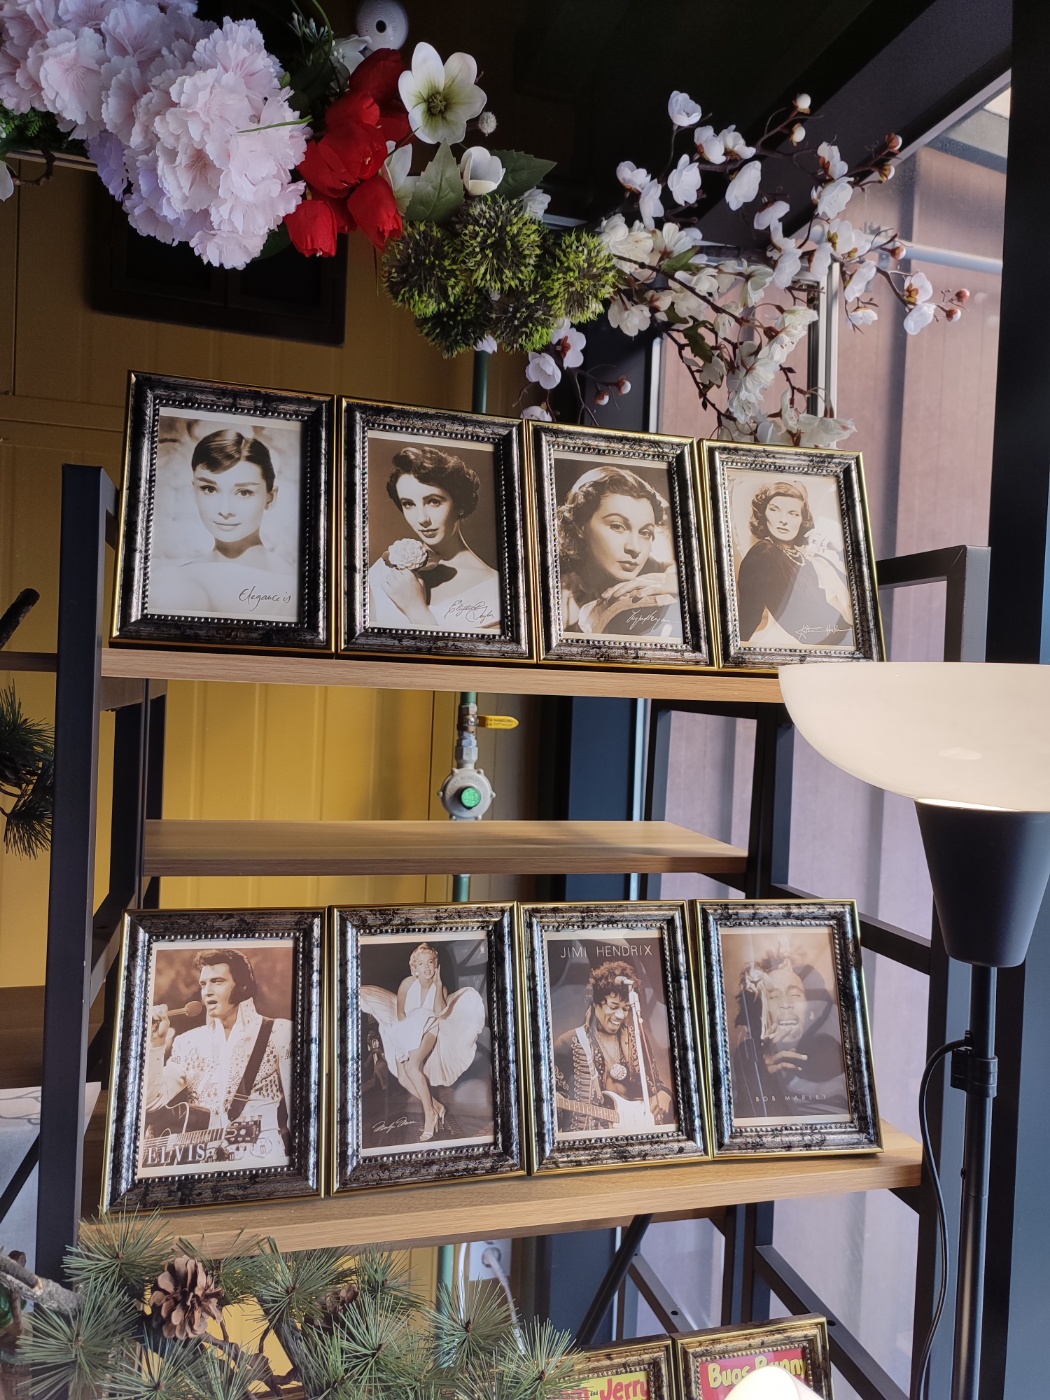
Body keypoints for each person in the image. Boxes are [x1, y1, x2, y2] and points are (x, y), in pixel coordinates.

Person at [143, 948, 293, 1170]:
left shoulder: (279, 1032)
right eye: (203, 984)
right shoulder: (188, 1042)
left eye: (217, 982)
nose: (207, 992)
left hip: (262, 1162)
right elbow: (152, 1101)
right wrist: (156, 1044)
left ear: (242, 986)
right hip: (200, 1168)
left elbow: (302, 1114)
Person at [147, 428, 297, 622]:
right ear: (194, 490)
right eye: (209, 489)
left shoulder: (296, 588)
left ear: (270, 497)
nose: (225, 510)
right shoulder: (167, 583)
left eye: (244, 492)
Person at [360, 942, 486, 1142]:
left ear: (436, 965)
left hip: (430, 1029)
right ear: (414, 968)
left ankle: (430, 1115)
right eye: (421, 963)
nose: (426, 967)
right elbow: (400, 1015)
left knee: (412, 1068)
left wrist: (438, 985)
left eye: (430, 962)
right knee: (403, 1078)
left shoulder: (440, 987)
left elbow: (440, 1013)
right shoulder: (407, 984)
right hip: (406, 1029)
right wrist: (404, 1040)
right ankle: (437, 1106)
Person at [367, 445, 501, 632]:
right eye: (409, 504)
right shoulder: (384, 571)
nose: (422, 519)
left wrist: (416, 610)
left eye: (433, 501)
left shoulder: (494, 588)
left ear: (460, 504)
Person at [557, 466, 682, 640]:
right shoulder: (554, 587)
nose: (635, 548)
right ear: (580, 526)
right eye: (617, 526)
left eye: (645, 532)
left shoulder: (666, 579)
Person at [553, 960, 674, 1135]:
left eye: (625, 1009)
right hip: (591, 1138)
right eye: (613, 1007)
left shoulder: (635, 1038)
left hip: (637, 1133)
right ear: (595, 1002)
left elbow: (654, 1083)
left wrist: (664, 1094)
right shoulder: (568, 1043)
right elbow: (554, 1097)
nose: (620, 1015)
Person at [730, 947, 850, 1119]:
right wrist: (763, 1074)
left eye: (795, 995)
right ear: (760, 1013)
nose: (785, 1004)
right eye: (773, 997)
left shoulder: (834, 1053)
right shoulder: (747, 1056)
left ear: (811, 1011)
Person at [735, 480, 854, 649]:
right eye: (774, 510)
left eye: (793, 513)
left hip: (844, 643)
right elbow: (749, 615)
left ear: (802, 519)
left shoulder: (811, 557)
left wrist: (836, 549)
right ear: (763, 513)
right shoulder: (763, 553)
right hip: (818, 647)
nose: (783, 520)